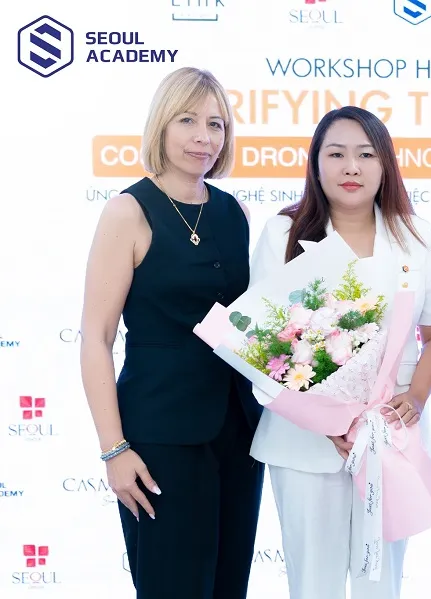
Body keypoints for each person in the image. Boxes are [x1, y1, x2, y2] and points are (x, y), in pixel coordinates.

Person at [247, 105, 431, 599]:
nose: (351, 167)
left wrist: (416, 398)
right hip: (304, 441)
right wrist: (329, 420)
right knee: (312, 584)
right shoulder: (283, 233)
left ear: (385, 164)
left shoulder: (414, 236)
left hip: (389, 435)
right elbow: (262, 344)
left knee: (380, 583)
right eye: (336, 154)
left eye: (366, 154)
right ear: (316, 163)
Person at [79, 67, 264, 599]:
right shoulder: (128, 212)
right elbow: (95, 338)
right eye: (187, 120)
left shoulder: (235, 212)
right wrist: (114, 449)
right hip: (158, 436)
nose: (203, 137)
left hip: (239, 433)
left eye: (215, 124)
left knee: (228, 587)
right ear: (161, 124)